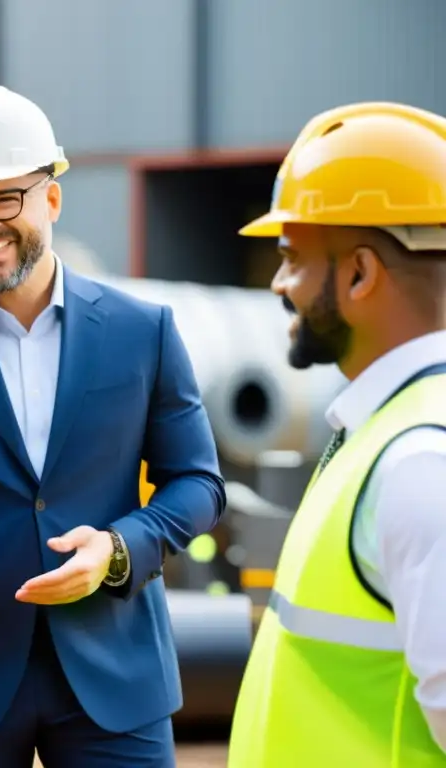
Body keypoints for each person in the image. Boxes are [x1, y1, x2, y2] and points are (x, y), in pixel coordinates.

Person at [0, 82, 226, 768]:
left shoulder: (143, 332)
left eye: (4, 198)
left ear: (51, 197)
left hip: (114, 668)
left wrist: (121, 548)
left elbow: (197, 482)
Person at [228, 102, 446, 766]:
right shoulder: (382, 434)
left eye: (291, 257)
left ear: (359, 273)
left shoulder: (420, 463)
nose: (277, 282)